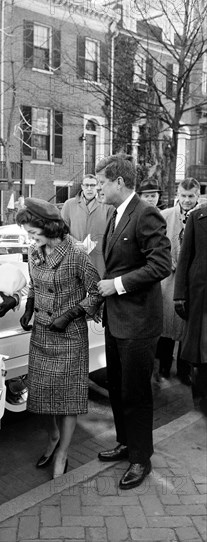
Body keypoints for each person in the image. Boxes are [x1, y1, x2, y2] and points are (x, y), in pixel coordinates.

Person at [95, 154, 171, 490]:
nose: (98, 189)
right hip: (116, 321)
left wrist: (118, 285)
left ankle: (141, 458)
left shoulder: (145, 213)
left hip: (139, 324)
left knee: (136, 392)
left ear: (119, 182)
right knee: (116, 387)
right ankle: (126, 443)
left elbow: (161, 265)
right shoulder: (115, 214)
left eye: (102, 184)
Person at [16, 198, 102, 479]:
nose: (30, 238)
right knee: (43, 394)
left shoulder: (76, 256)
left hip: (69, 336)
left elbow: (97, 292)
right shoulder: (34, 252)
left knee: (67, 399)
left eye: (33, 232)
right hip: (42, 333)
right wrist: (29, 307)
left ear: (50, 228)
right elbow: (33, 284)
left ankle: (63, 452)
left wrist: (73, 312)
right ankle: (52, 438)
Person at [156, 178, 201, 382]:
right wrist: (167, 259)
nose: (186, 200)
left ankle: (184, 369)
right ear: (177, 195)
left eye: (191, 196)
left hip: (191, 280)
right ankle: (164, 366)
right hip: (168, 277)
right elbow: (154, 243)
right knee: (166, 322)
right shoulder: (165, 216)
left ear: (197, 196)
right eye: (183, 195)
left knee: (187, 325)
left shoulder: (203, 217)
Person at [174, 204, 207, 413]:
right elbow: (185, 257)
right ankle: (202, 399)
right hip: (201, 297)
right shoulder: (197, 217)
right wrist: (179, 295)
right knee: (201, 351)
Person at [61, 174, 113, 277]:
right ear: (82, 187)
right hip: (74, 256)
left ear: (98, 187)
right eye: (86, 185)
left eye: (92, 185)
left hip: (99, 259)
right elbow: (61, 231)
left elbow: (112, 232)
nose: (89, 189)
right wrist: (74, 242)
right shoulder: (69, 205)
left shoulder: (107, 206)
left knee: (97, 288)